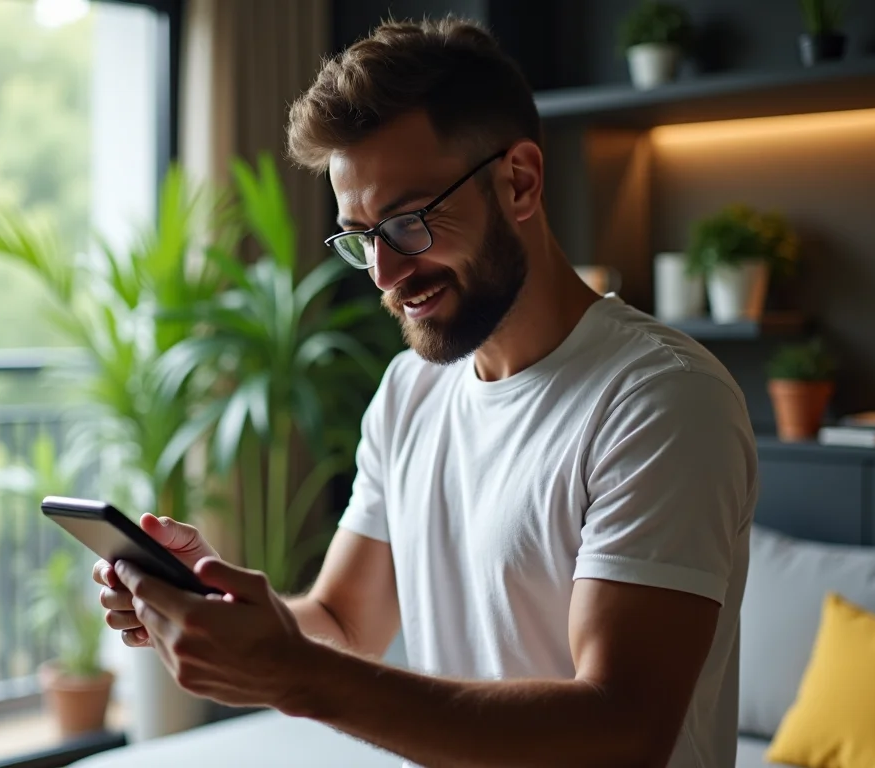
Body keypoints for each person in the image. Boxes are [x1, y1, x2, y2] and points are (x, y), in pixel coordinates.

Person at [92, 15, 757, 768]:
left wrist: (302, 677)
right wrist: (217, 608)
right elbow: (343, 622)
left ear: (520, 182)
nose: (384, 273)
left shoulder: (661, 400)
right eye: (359, 236)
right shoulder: (410, 391)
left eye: (408, 222)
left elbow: (621, 733)